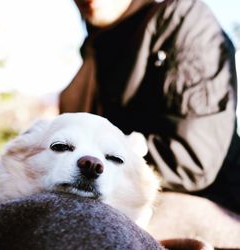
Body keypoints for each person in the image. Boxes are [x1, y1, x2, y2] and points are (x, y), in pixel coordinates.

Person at [59, 0, 240, 214]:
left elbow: (191, 159)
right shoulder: (94, 51)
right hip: (109, 204)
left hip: (211, 206)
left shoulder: (180, 19)